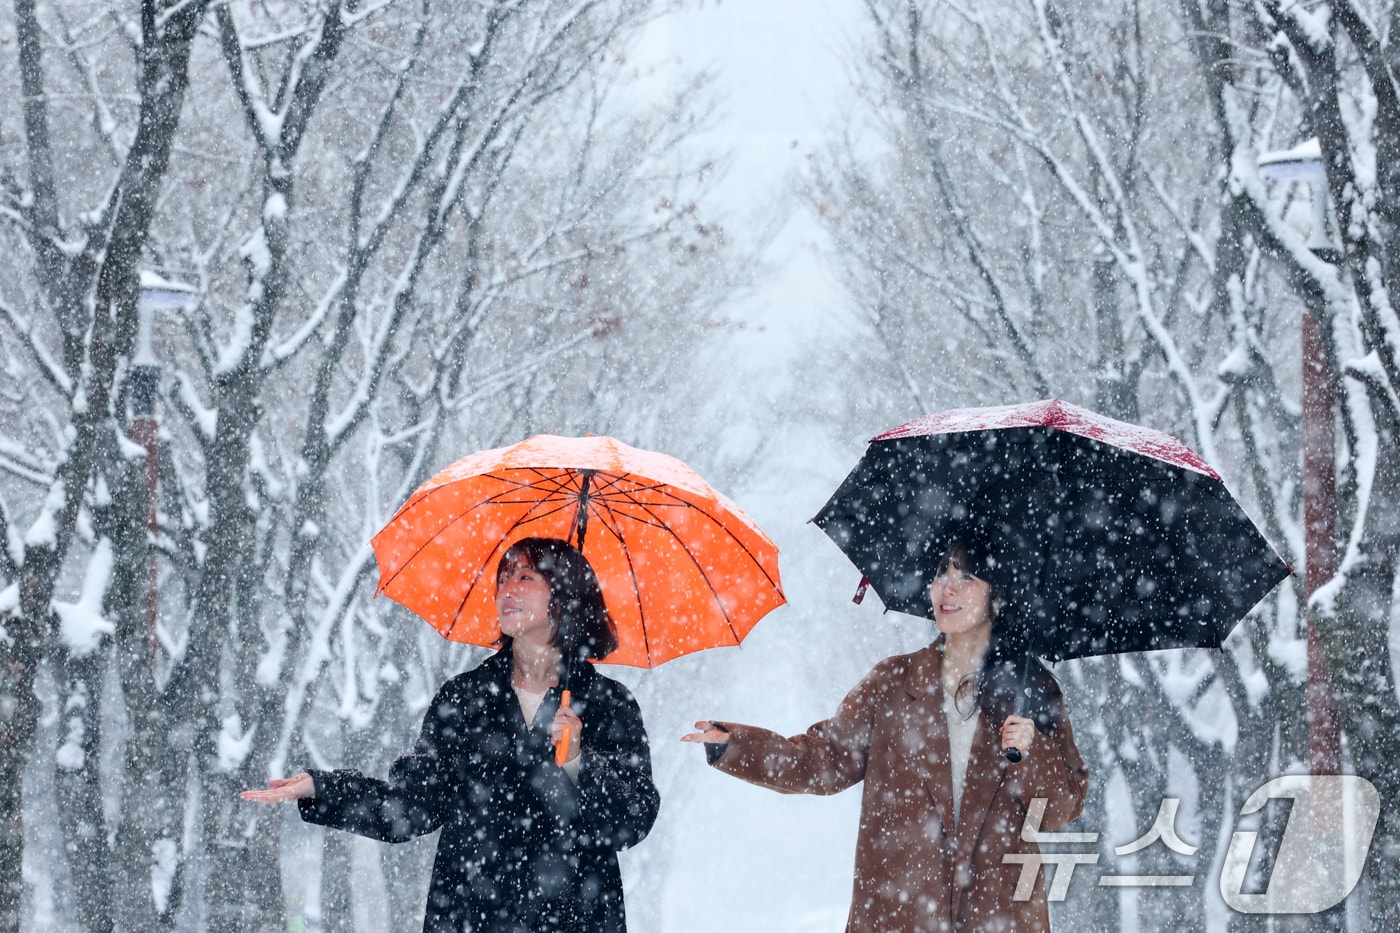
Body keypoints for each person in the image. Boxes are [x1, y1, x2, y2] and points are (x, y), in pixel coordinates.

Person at [243, 537, 659, 933]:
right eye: (503, 579)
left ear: (564, 596)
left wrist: (579, 763)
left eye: (525, 577)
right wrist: (323, 788)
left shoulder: (609, 705)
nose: (506, 590)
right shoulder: (465, 698)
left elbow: (633, 821)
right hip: (470, 916)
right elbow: (412, 806)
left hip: (575, 918)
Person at [683, 533, 1089, 932]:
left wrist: (1031, 752)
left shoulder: (1031, 691)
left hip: (999, 915)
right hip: (899, 914)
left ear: (996, 597)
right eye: (940, 573)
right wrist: (736, 745)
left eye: (965, 577)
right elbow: (825, 758)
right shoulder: (893, 681)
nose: (946, 588)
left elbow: (1061, 808)